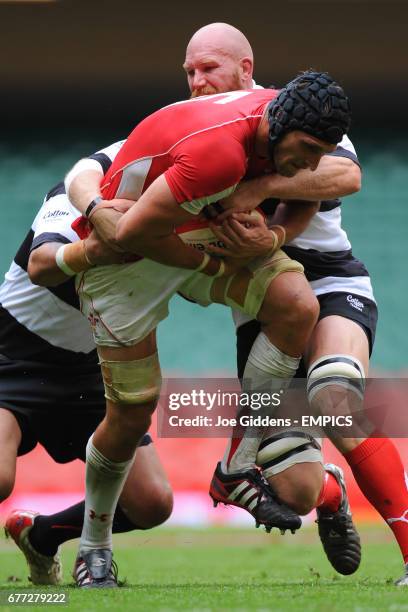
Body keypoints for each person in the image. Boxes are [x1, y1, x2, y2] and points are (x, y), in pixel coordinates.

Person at [58, 71, 351, 587]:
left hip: (196, 234)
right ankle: (93, 546)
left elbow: (340, 177)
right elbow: (130, 232)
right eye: (305, 150)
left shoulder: (284, 120)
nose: (308, 164)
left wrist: (275, 226)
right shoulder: (218, 150)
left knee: (296, 306)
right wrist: (218, 266)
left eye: (318, 153)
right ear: (278, 123)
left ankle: (236, 468)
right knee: (131, 413)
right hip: (126, 262)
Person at [184, 23, 408, 586]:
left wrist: (259, 197)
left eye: (209, 68)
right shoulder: (192, 136)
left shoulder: (294, 113)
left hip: (331, 283)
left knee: (335, 394)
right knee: (294, 488)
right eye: (189, 72)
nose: (197, 82)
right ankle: (330, 494)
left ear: (245, 68)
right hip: (264, 313)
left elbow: (346, 172)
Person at [0, 185, 174, 586]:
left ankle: (41, 537)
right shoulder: (75, 194)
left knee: (151, 503)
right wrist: (98, 248)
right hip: (12, 357)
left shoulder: (177, 213)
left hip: (87, 372)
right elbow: (41, 263)